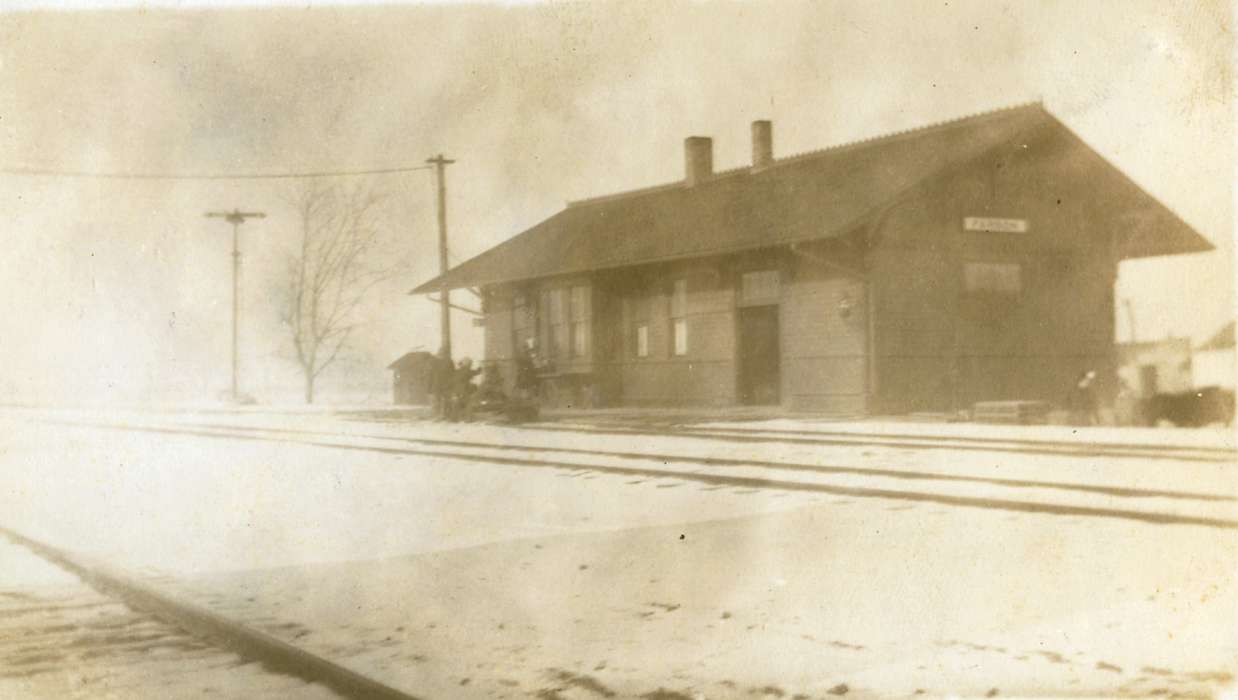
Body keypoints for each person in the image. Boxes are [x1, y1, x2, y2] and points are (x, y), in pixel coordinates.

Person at [450, 356, 482, 421]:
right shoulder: (467, 370)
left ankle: (454, 419)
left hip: (455, 390)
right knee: (468, 403)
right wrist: (480, 368)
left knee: (455, 404)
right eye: (470, 364)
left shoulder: (457, 371)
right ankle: (468, 418)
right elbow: (476, 372)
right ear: (468, 364)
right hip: (463, 390)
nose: (470, 365)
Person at [428, 348, 454, 420]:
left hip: (437, 384)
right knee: (443, 401)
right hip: (444, 385)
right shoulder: (449, 361)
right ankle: (442, 416)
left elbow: (430, 375)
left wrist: (429, 387)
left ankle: (438, 416)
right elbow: (452, 374)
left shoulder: (433, 361)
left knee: (438, 401)